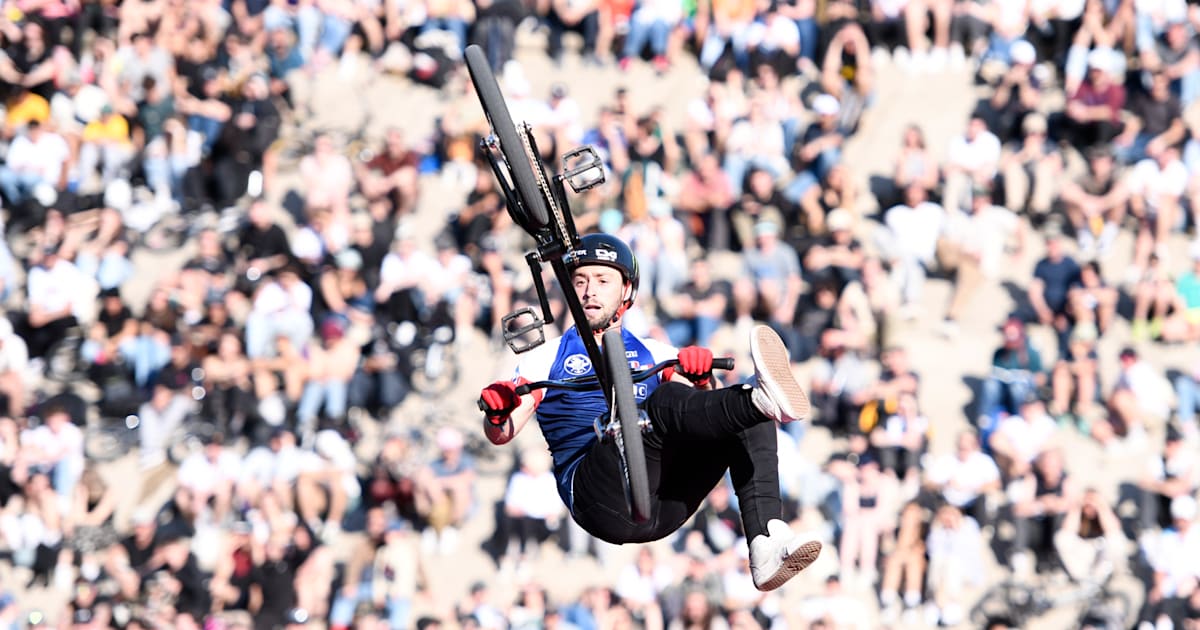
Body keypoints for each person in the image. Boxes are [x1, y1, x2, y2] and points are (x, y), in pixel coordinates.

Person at [478, 233, 821, 592]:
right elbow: (501, 433)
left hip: (666, 501)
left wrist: (703, 379)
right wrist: (499, 412)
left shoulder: (654, 351)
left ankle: (766, 544)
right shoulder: (545, 357)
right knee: (689, 402)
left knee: (740, 413)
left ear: (626, 291)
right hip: (599, 497)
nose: (589, 291)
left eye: (602, 280)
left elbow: (702, 412)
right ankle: (760, 400)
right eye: (580, 281)